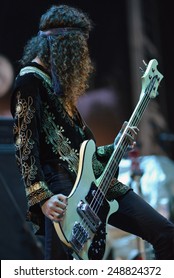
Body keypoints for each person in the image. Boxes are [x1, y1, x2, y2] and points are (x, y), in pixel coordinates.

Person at [11, 4, 174, 260]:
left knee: (165, 233)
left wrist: (116, 145)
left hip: (97, 184)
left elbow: (84, 154)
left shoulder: (56, 87)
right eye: (78, 49)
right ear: (65, 46)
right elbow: (24, 145)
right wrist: (42, 198)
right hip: (65, 194)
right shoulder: (28, 82)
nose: (82, 59)